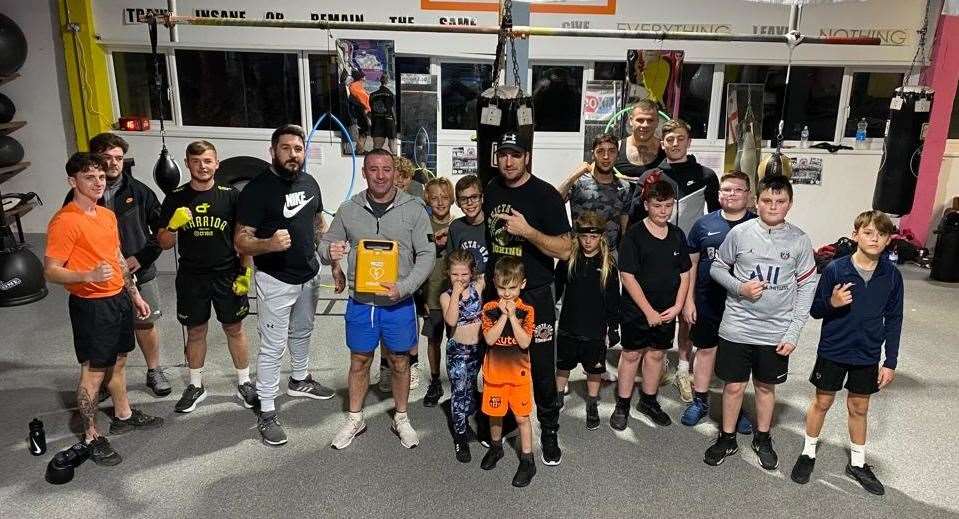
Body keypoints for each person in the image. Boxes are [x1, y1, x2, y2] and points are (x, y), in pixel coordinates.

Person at [44, 152, 163, 466]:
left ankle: (123, 414)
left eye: (100, 177)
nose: (98, 183)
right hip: (91, 306)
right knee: (93, 372)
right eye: (88, 178)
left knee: (120, 361)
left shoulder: (107, 215)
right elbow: (51, 271)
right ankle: (90, 435)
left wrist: (134, 294)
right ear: (73, 181)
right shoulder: (65, 220)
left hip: (118, 300)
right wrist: (87, 275)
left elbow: (117, 258)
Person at [320, 148, 435, 450]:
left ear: (396, 173)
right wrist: (328, 253)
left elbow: (427, 254)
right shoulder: (348, 209)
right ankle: (355, 418)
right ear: (365, 172)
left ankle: (401, 417)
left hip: (398, 303)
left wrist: (406, 286)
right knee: (359, 360)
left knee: (399, 361)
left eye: (387, 169)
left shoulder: (414, 208)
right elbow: (326, 245)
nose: (381, 175)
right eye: (374, 169)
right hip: (362, 302)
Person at [704, 175, 818, 469]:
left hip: (776, 331)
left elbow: (807, 288)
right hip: (737, 327)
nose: (773, 206)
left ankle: (763, 437)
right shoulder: (740, 233)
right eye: (767, 200)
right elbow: (717, 268)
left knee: (766, 388)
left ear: (790, 204)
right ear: (757, 201)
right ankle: (727, 437)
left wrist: (793, 332)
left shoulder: (800, 240)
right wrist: (739, 287)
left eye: (780, 201)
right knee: (733, 387)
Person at [235, 124, 335, 446]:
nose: (293, 154)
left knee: (304, 331)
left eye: (298, 149)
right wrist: (267, 244)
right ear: (273, 151)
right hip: (275, 279)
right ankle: (266, 408)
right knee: (273, 346)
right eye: (286, 148)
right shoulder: (257, 190)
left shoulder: (310, 183)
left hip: (309, 273)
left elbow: (318, 223)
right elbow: (240, 241)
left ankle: (300, 379)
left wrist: (329, 254)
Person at [790, 210, 903, 496]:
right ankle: (808, 453)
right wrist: (833, 301)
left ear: (889, 240)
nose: (874, 238)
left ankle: (857, 463)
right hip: (833, 349)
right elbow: (815, 310)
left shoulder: (892, 276)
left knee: (859, 408)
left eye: (881, 234)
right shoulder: (835, 269)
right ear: (855, 235)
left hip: (867, 353)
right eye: (868, 232)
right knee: (822, 402)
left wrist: (890, 361)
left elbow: (895, 318)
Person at [483, 132, 572, 466]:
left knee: (542, 366)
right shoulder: (492, 189)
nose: (509, 161)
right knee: (501, 360)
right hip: (499, 290)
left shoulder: (545, 195)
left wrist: (530, 232)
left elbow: (566, 250)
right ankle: (504, 424)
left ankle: (548, 430)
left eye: (515, 155)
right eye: (504, 154)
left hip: (536, 294)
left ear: (527, 157)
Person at [65, 133, 169, 397]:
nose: (113, 163)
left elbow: (162, 232)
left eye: (119, 158)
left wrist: (141, 257)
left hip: (139, 271)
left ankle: (154, 370)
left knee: (145, 322)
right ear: (95, 159)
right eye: (107, 158)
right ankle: (106, 377)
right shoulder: (77, 195)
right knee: (105, 330)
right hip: (99, 277)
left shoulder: (141, 192)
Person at [156, 141, 257, 413]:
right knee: (196, 330)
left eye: (208, 161)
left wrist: (246, 274)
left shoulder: (231, 196)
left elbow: (243, 239)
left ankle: (245, 382)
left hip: (227, 273)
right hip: (191, 276)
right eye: (197, 161)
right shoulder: (175, 197)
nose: (203, 166)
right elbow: (164, 243)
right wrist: (173, 226)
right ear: (187, 164)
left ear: (217, 164)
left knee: (234, 328)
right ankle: (196, 385)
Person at [626, 119, 721, 402]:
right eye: (670, 140)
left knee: (687, 314)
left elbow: (717, 216)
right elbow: (633, 219)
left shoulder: (705, 175)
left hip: (692, 255)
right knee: (656, 312)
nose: (675, 144)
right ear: (661, 143)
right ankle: (656, 363)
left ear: (688, 141)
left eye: (680, 138)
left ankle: (682, 368)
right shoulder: (650, 176)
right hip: (655, 259)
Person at [611, 180, 690, 431]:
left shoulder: (677, 235)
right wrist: (648, 312)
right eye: (658, 206)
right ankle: (622, 404)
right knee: (632, 354)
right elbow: (628, 276)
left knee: (657, 354)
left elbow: (685, 274)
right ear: (646, 205)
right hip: (637, 310)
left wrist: (678, 306)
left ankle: (648, 400)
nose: (663, 211)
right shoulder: (634, 235)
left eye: (668, 205)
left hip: (667, 310)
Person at [680, 171, 756, 433]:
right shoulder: (703, 224)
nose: (731, 194)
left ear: (748, 194)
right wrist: (689, 301)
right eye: (726, 190)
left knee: (736, 357)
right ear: (719, 193)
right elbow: (691, 264)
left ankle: (735, 406)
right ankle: (700, 401)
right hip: (707, 299)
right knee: (705, 351)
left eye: (737, 190)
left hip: (744, 304)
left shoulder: (758, 224)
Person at [554, 212, 620, 430]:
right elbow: (556, 289)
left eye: (593, 237)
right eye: (584, 237)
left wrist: (613, 327)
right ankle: (557, 397)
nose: (588, 241)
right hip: (568, 325)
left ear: (600, 236)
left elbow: (613, 298)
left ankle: (592, 403)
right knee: (563, 366)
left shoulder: (608, 264)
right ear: (578, 237)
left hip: (595, 328)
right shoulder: (568, 260)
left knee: (594, 370)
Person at [479, 257, 537, 488]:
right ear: (494, 283)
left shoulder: (527, 311)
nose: (506, 293)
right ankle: (496, 448)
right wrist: (503, 315)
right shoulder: (489, 309)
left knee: (523, 418)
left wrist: (513, 316)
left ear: (522, 284)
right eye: (502, 287)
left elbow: (524, 343)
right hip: (494, 375)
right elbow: (490, 338)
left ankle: (527, 460)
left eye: (512, 288)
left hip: (519, 377)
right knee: (495, 415)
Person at [440, 249, 485, 463]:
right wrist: (457, 294)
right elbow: (450, 320)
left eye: (464, 274)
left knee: (471, 387)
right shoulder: (446, 296)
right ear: (448, 273)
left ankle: (471, 419)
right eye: (455, 275)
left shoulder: (478, 286)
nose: (460, 279)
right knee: (459, 392)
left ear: (472, 273)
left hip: (478, 350)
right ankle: (460, 436)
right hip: (458, 352)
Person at [557, 133, 631, 253]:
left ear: (617, 155)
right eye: (600, 151)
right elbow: (554, 201)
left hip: (609, 253)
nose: (606, 156)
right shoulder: (579, 182)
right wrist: (573, 176)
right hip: (578, 252)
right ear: (593, 154)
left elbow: (624, 223)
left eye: (611, 151)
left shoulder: (624, 187)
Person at [420, 177, 455, 407]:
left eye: (444, 197)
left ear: (452, 199)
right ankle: (435, 380)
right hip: (431, 294)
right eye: (435, 198)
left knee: (455, 342)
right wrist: (419, 295)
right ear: (427, 199)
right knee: (434, 340)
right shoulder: (422, 224)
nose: (440, 202)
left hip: (454, 296)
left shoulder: (459, 225)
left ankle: (457, 381)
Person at [613, 100, 666, 182]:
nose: (645, 125)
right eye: (640, 120)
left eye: (650, 120)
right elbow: (596, 169)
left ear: (657, 122)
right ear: (631, 121)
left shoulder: (666, 150)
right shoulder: (616, 149)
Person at [447, 174, 489, 276]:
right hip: (464, 285)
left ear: (482, 198)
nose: (469, 203)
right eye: (464, 199)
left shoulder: (492, 224)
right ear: (458, 203)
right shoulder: (455, 227)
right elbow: (451, 263)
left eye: (474, 197)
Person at [370, 78, 397, 154]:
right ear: (387, 82)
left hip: (377, 121)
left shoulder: (372, 95)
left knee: (377, 148)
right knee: (393, 146)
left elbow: (371, 109)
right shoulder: (390, 94)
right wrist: (395, 121)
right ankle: (395, 162)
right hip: (389, 120)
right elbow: (392, 109)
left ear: (380, 81)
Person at [348, 70, 371, 154]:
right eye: (363, 77)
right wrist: (367, 108)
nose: (365, 79)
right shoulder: (355, 86)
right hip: (359, 111)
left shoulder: (355, 85)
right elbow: (362, 98)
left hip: (359, 110)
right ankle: (359, 150)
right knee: (364, 129)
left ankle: (360, 149)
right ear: (360, 78)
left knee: (363, 130)